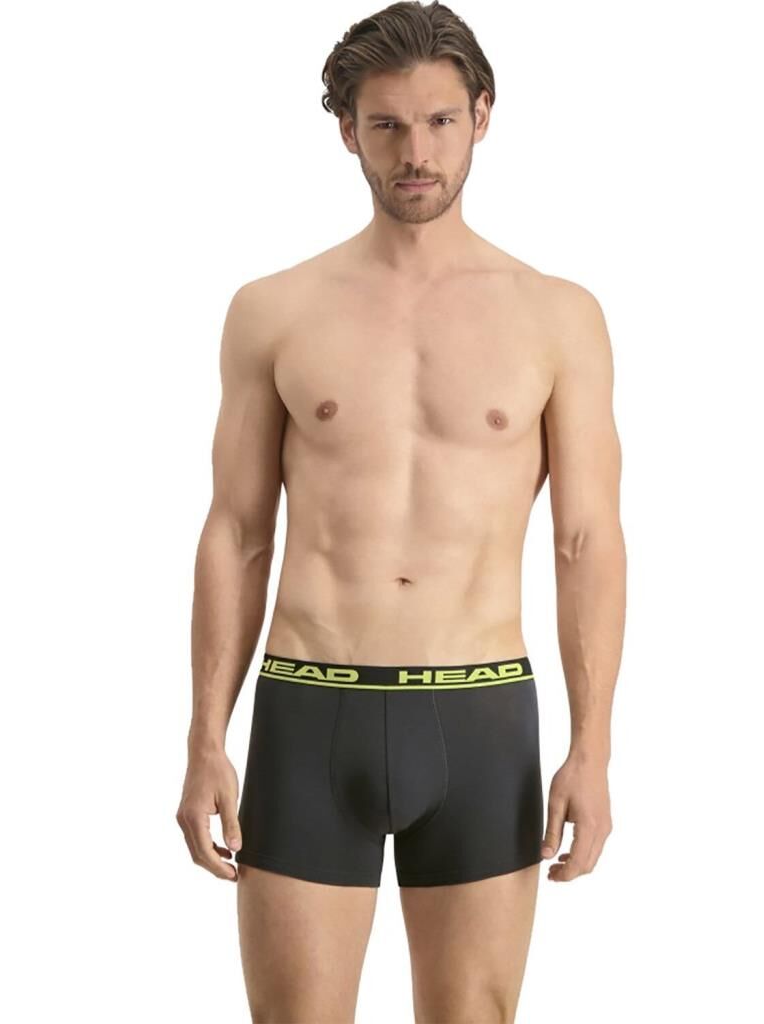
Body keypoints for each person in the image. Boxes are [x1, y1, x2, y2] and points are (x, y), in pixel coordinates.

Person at [176, 2, 626, 1020]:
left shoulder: (556, 316)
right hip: (308, 706)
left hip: (481, 713)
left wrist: (592, 749)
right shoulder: (275, 309)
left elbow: (586, 540)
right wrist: (206, 737)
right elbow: (236, 533)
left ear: (482, 117)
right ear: (348, 131)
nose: (415, 152)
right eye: (386, 125)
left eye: (438, 122)